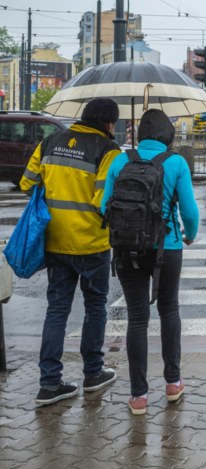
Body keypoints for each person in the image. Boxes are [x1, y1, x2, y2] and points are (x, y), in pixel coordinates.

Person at [19, 97, 122, 406]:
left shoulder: (51, 141)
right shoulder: (107, 151)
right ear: (107, 123)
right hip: (91, 244)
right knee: (95, 307)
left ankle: (49, 383)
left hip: (54, 240)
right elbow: (102, 201)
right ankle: (93, 373)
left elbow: (27, 182)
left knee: (57, 310)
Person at [101, 109, 200, 415]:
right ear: (167, 134)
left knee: (137, 318)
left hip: (127, 247)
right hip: (166, 249)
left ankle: (139, 396)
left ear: (139, 132)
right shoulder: (176, 162)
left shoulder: (120, 160)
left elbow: (105, 205)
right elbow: (190, 212)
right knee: (169, 310)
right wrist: (189, 235)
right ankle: (172, 383)